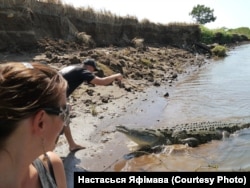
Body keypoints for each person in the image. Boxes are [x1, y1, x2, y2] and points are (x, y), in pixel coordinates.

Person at [0, 62, 68, 188]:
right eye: (64, 112)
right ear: (41, 122)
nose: (64, 122)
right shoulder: (50, 169)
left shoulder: (52, 166)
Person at [59, 58, 123, 152]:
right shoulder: (83, 71)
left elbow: (62, 82)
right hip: (53, 97)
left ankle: (72, 145)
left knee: (64, 118)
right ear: (90, 67)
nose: (93, 73)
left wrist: (64, 100)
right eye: (93, 70)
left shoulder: (73, 67)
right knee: (60, 120)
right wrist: (116, 75)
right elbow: (102, 82)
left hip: (50, 93)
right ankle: (46, 151)